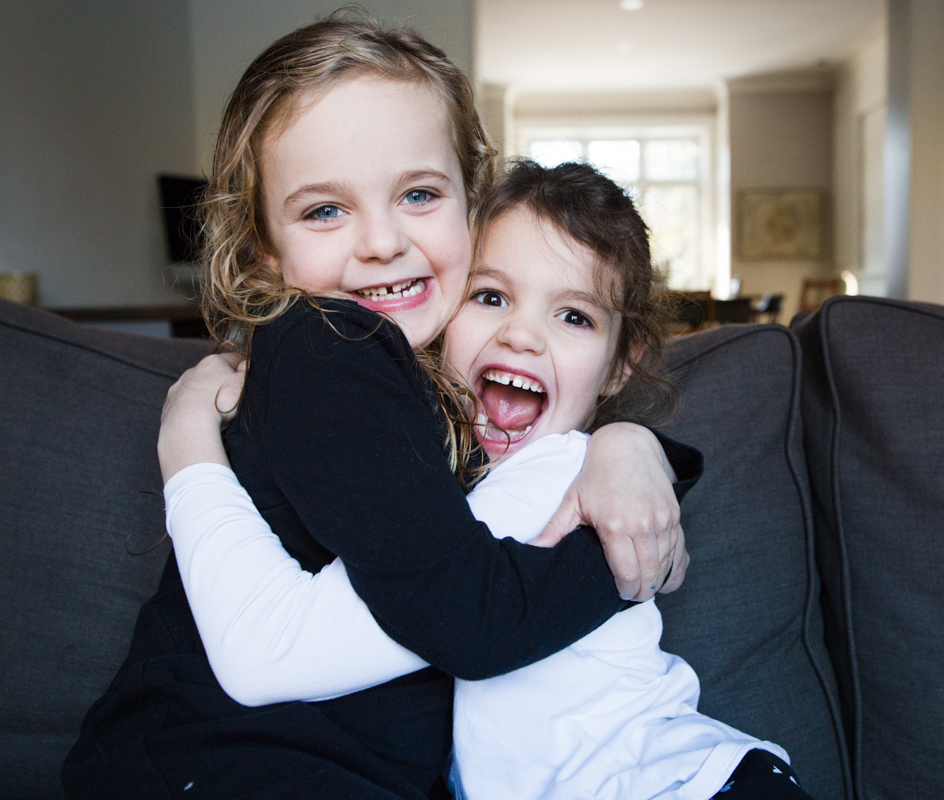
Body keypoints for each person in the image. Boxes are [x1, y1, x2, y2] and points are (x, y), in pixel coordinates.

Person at [62, 17, 696, 799]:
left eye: (419, 194)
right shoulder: (332, 342)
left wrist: (629, 444)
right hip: (226, 762)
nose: (381, 242)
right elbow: (469, 617)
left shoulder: (436, 381)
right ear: (265, 248)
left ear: (472, 201)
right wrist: (627, 551)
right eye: (325, 210)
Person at [161, 160, 815, 800]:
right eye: (491, 296)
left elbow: (274, 650)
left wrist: (187, 436)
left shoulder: (552, 478)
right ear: (441, 319)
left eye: (574, 316)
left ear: (621, 366)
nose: (522, 335)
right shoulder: (446, 476)